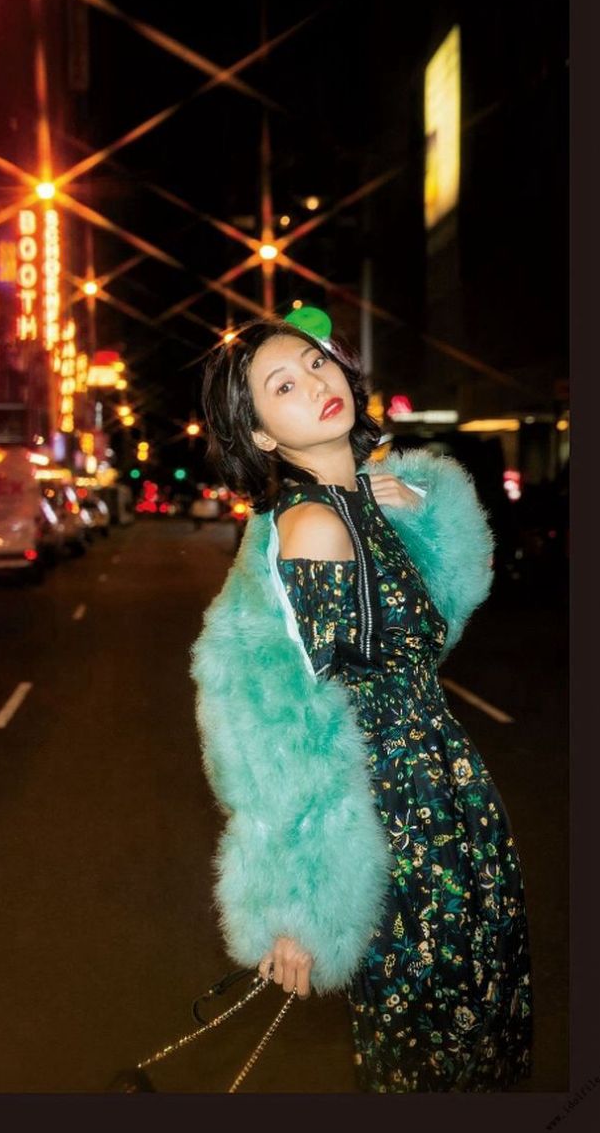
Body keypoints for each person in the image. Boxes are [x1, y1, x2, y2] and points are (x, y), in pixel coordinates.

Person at [189, 308, 532, 1092]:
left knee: (475, 1038)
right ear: (262, 435)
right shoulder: (315, 525)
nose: (314, 382)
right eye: (283, 385)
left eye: (315, 363)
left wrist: (422, 509)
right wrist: (298, 896)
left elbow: (426, 635)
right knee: (436, 1058)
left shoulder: (366, 505)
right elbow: (280, 718)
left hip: (446, 799)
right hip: (395, 821)